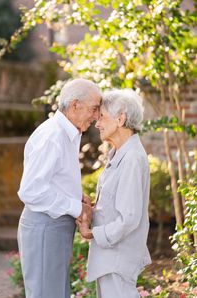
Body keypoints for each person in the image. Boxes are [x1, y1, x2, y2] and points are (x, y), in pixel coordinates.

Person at [17, 78, 101, 298]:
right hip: (45, 226)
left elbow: (54, 179)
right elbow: (31, 191)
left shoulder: (68, 133)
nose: (96, 117)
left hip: (52, 226)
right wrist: (76, 207)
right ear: (75, 105)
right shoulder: (53, 136)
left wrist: (76, 195)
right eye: (94, 109)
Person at [77, 89, 151, 298]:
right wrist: (94, 208)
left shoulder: (132, 159)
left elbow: (129, 218)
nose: (97, 123)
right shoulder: (119, 153)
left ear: (120, 119)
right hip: (111, 259)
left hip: (118, 260)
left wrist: (93, 233)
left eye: (101, 117)